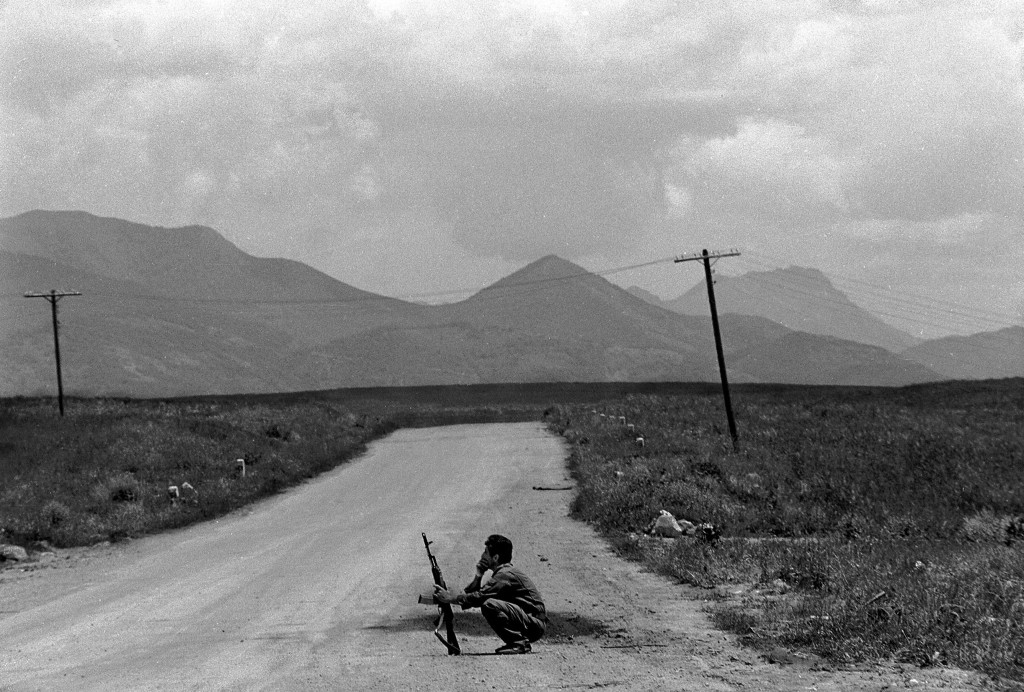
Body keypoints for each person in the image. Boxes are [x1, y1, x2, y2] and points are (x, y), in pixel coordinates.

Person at [433, 534, 547, 655]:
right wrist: (478, 576)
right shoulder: (503, 573)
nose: (482, 556)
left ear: (496, 557)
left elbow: (479, 597)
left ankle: (519, 643)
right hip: (529, 622)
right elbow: (475, 594)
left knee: (489, 604)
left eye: (486, 553)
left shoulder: (505, 574)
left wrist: (450, 598)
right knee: (488, 602)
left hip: (534, 624)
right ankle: (517, 642)